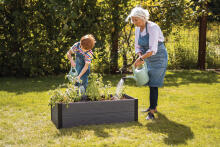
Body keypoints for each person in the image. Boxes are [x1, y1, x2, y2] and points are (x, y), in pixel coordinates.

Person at [126, 7, 168, 120]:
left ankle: (152, 112)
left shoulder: (153, 27)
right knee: (150, 83)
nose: (134, 23)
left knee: (154, 84)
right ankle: (152, 106)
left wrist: (140, 59)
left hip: (159, 58)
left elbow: (153, 49)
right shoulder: (138, 29)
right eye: (133, 20)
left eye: (136, 20)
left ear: (143, 18)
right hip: (148, 58)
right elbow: (137, 46)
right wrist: (140, 56)